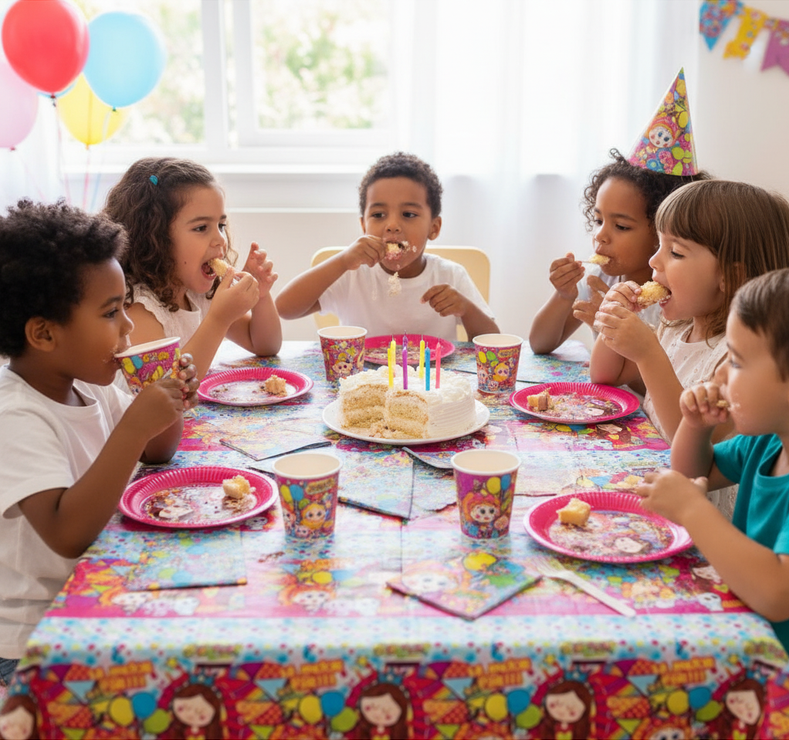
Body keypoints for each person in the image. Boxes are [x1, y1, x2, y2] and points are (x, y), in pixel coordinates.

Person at [0, 199, 199, 686]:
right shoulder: (15, 416)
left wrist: (167, 400)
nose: (128, 326)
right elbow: (68, 534)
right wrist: (133, 425)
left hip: (100, 587)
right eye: (112, 313)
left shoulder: (90, 381)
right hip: (35, 636)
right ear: (44, 334)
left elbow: (157, 452)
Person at [636, 266, 789, 738]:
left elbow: (777, 592)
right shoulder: (771, 440)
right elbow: (695, 472)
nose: (721, 373)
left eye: (737, 361)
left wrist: (692, 510)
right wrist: (696, 425)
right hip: (752, 654)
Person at [589, 180, 789, 518]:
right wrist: (616, 318)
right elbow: (602, 373)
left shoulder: (737, 361)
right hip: (653, 482)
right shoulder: (677, 327)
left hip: (700, 517)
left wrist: (647, 353)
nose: (653, 260)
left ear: (730, 277)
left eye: (675, 252)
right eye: (658, 244)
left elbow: (693, 452)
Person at [529, 69, 710, 354]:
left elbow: (659, 386)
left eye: (621, 226)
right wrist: (564, 295)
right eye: (599, 219)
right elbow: (540, 344)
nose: (600, 235)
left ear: (663, 233)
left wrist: (612, 331)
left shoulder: (679, 298)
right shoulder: (602, 278)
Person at [274, 151, 498, 341]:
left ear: (434, 227)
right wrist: (342, 262)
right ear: (363, 225)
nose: (392, 225)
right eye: (378, 215)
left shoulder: (450, 275)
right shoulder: (351, 275)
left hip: (431, 386)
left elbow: (493, 343)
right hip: (362, 386)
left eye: (408, 214)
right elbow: (284, 308)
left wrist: (466, 309)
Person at [103, 157, 282, 381]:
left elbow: (265, 345)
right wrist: (218, 320)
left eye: (221, 225)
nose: (220, 240)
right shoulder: (140, 311)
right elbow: (167, 393)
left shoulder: (199, 294)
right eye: (201, 228)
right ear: (155, 237)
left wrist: (261, 297)